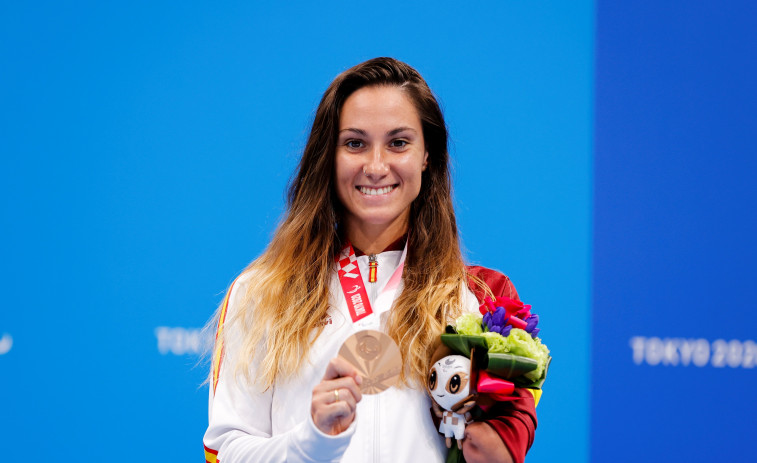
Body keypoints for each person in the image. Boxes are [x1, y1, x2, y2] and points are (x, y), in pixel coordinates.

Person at [203, 57, 538, 463]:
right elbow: (223, 452)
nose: (376, 166)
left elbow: (499, 451)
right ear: (329, 155)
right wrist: (313, 442)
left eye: (398, 142)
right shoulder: (262, 292)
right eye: (355, 143)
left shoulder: (487, 300)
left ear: (426, 155)